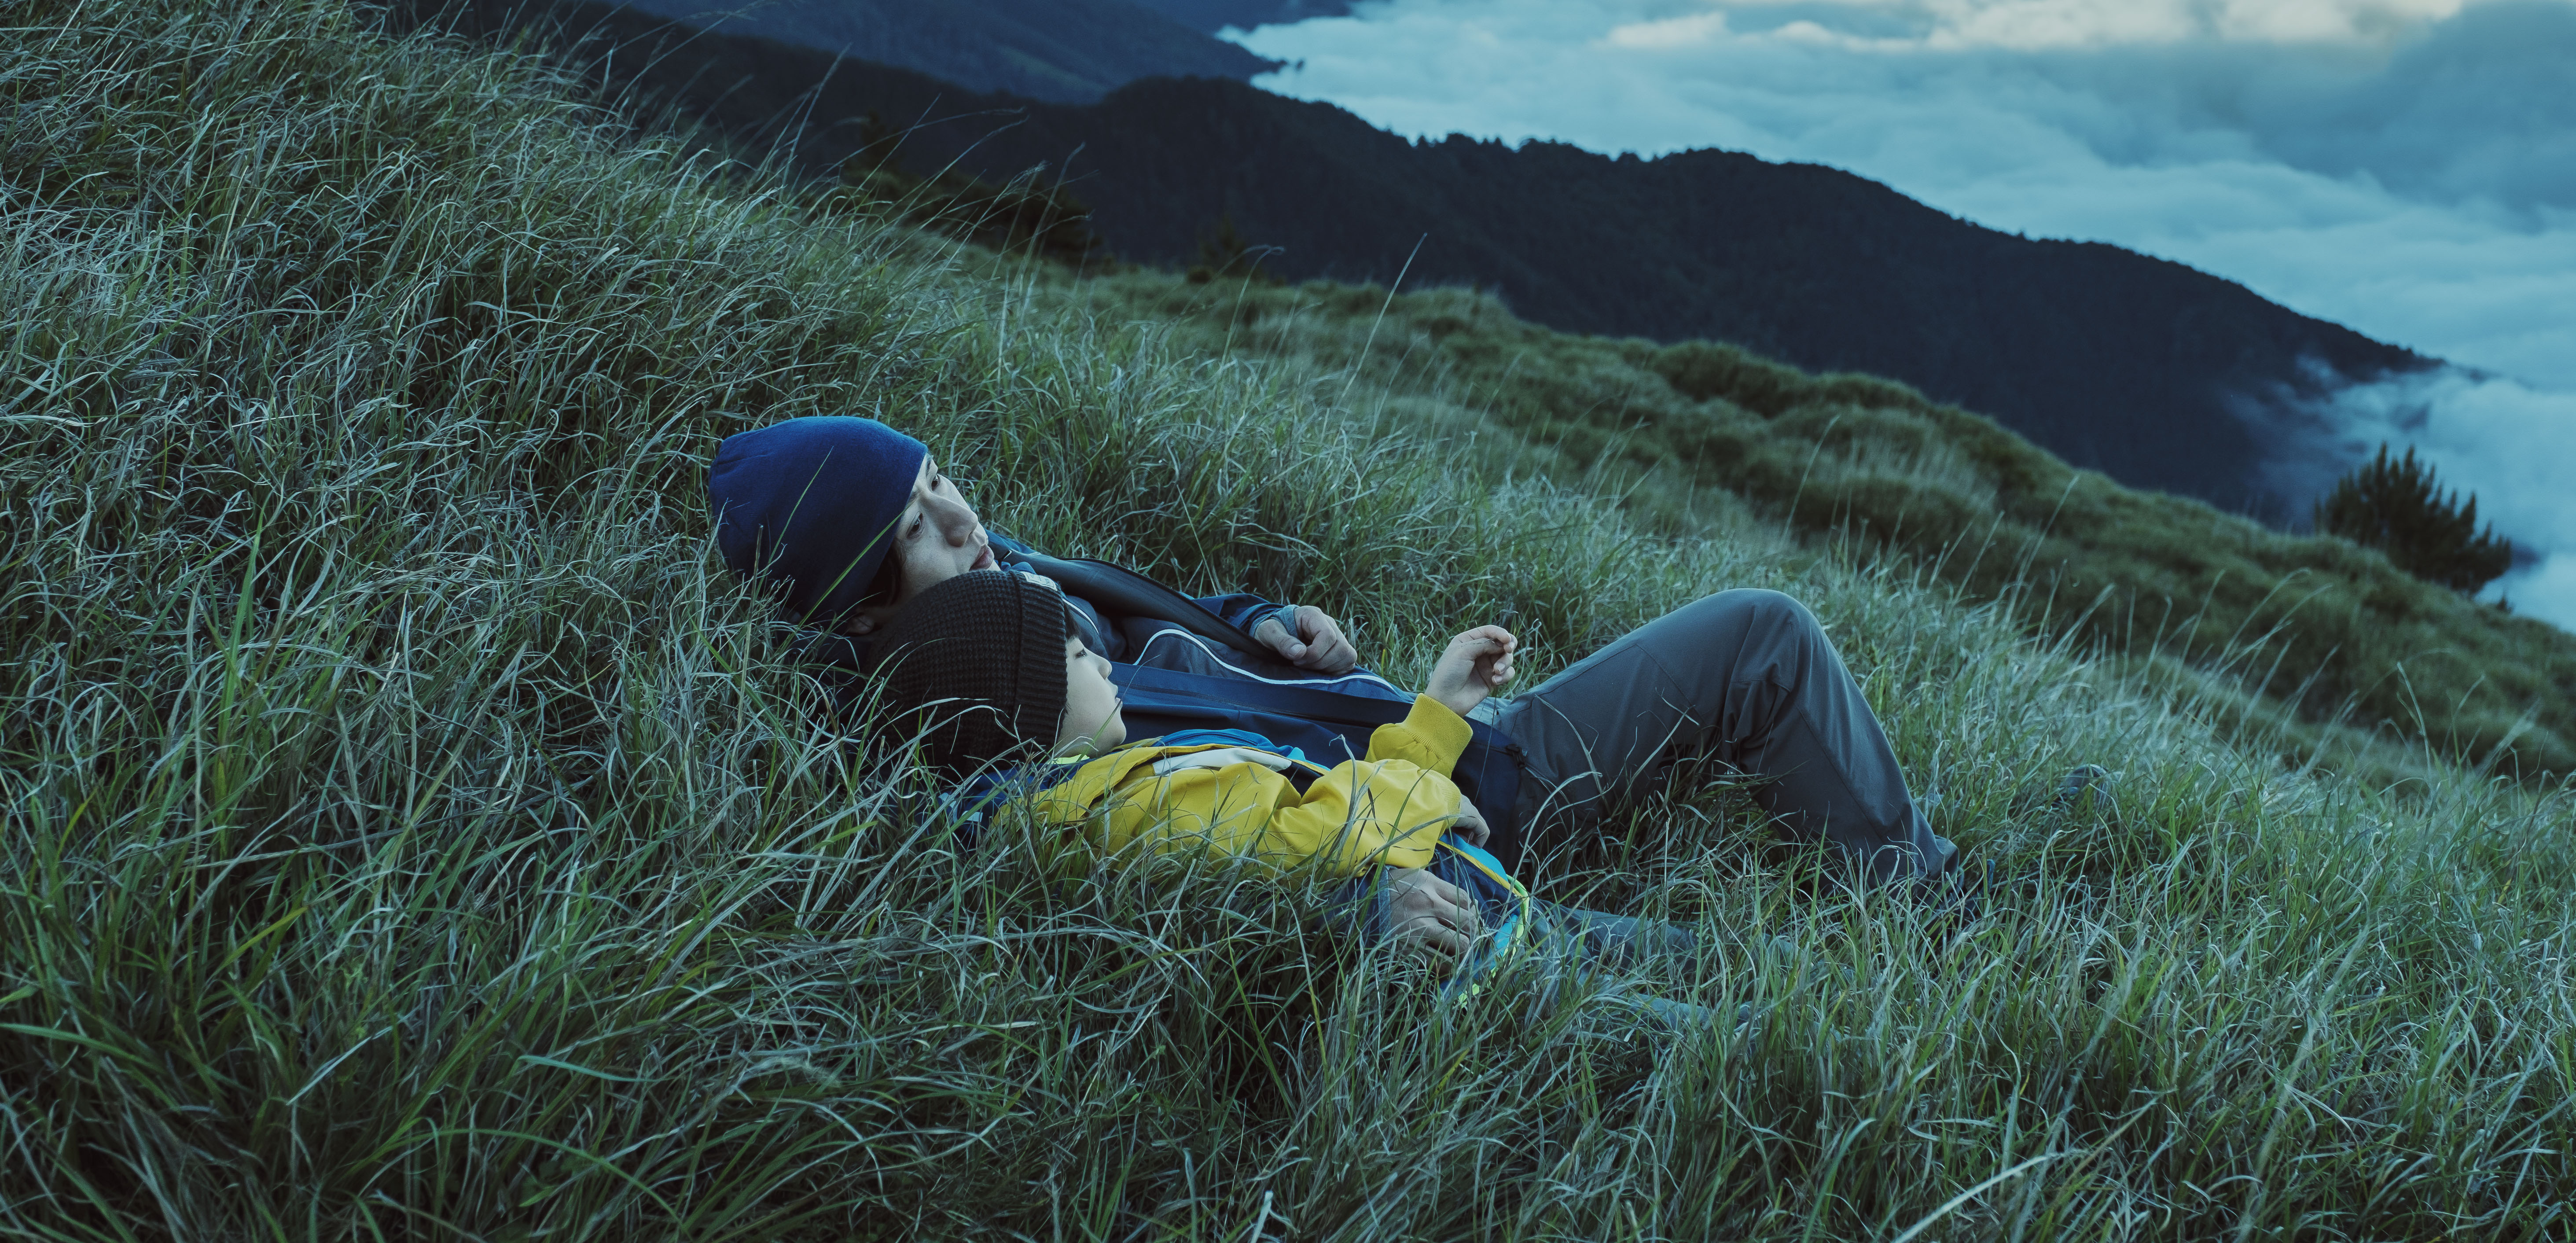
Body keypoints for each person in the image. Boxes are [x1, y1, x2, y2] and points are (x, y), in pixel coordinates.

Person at [705, 416, 1961, 956]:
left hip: (1430, 749)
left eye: (940, 478)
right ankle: (1919, 960)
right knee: (1723, 971)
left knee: (1761, 633)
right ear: (862, 610)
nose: (965, 519)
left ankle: (1926, 902)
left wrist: (1264, 624)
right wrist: (1347, 912)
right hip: (1426, 840)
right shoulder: (964, 726)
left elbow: (1165, 621)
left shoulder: (1001, 579)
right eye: (920, 528)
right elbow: (1138, 878)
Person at [871, 566, 1729, 1008]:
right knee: (1704, 1009)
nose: (1100, 660)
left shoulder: (1103, 785)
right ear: (1027, 710)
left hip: (1479, 912)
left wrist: (1435, 721)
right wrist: (1429, 784)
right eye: (1072, 656)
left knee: (1709, 964)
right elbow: (1314, 835)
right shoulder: (1116, 802)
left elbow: (1313, 813)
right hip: (1473, 952)